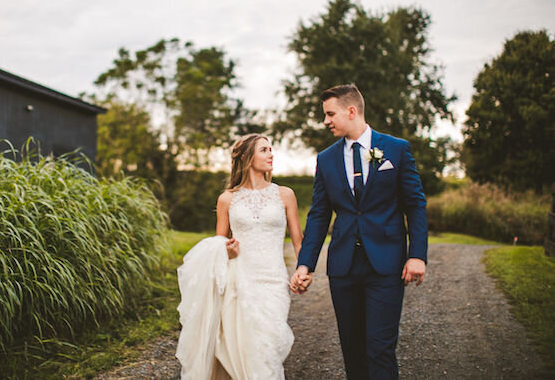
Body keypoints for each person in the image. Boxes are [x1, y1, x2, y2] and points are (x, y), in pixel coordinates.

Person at [290, 84, 428, 380]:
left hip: (386, 266)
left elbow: (415, 205)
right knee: (352, 351)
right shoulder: (326, 159)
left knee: (379, 348)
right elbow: (318, 215)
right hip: (343, 269)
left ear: (351, 110)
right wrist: (305, 264)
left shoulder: (396, 149)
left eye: (330, 114)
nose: (326, 121)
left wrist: (417, 256)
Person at [176, 133, 309, 379]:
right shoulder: (227, 199)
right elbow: (219, 244)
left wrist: (303, 271)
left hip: (273, 281)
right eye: (264, 150)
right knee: (246, 349)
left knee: (267, 346)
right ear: (247, 158)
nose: (271, 154)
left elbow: (299, 244)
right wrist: (227, 250)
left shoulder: (285, 194)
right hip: (240, 282)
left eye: (271, 149)